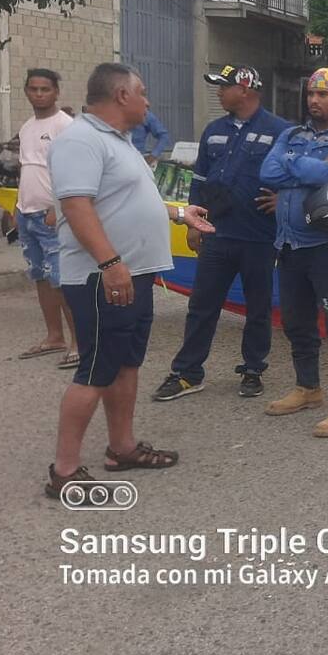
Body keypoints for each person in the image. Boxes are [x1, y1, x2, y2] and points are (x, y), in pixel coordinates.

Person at [44, 63, 214, 500]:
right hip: (104, 278)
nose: (148, 101)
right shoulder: (80, 140)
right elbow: (77, 206)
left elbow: (130, 199)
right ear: (121, 95)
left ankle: (122, 448)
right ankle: (64, 470)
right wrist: (110, 263)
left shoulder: (119, 141)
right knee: (96, 369)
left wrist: (178, 213)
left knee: (126, 362)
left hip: (132, 273)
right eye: (142, 92)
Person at [152, 66, 291, 402]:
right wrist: (191, 222)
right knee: (202, 305)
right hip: (217, 233)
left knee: (258, 307)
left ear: (245, 89)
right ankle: (187, 373)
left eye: (223, 86)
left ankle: (253, 369)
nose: (218, 92)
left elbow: (298, 174)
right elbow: (200, 179)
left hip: (259, 237)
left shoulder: (281, 131)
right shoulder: (214, 130)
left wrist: (286, 199)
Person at [259, 67, 328, 438]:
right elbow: (267, 172)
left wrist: (291, 164)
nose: (314, 101)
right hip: (289, 243)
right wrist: (307, 167)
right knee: (295, 322)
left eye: (323, 95)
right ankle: (308, 388)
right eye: (310, 94)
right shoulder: (293, 134)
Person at [13, 69, 78, 367]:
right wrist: (16, 208)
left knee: (61, 280)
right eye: (34, 89)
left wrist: (58, 207)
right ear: (26, 91)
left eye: (45, 89)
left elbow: (73, 171)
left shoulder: (66, 126)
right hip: (27, 214)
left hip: (53, 216)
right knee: (40, 276)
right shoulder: (27, 128)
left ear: (56, 92)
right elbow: (28, 168)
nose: (39, 94)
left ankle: (80, 342)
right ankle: (55, 337)